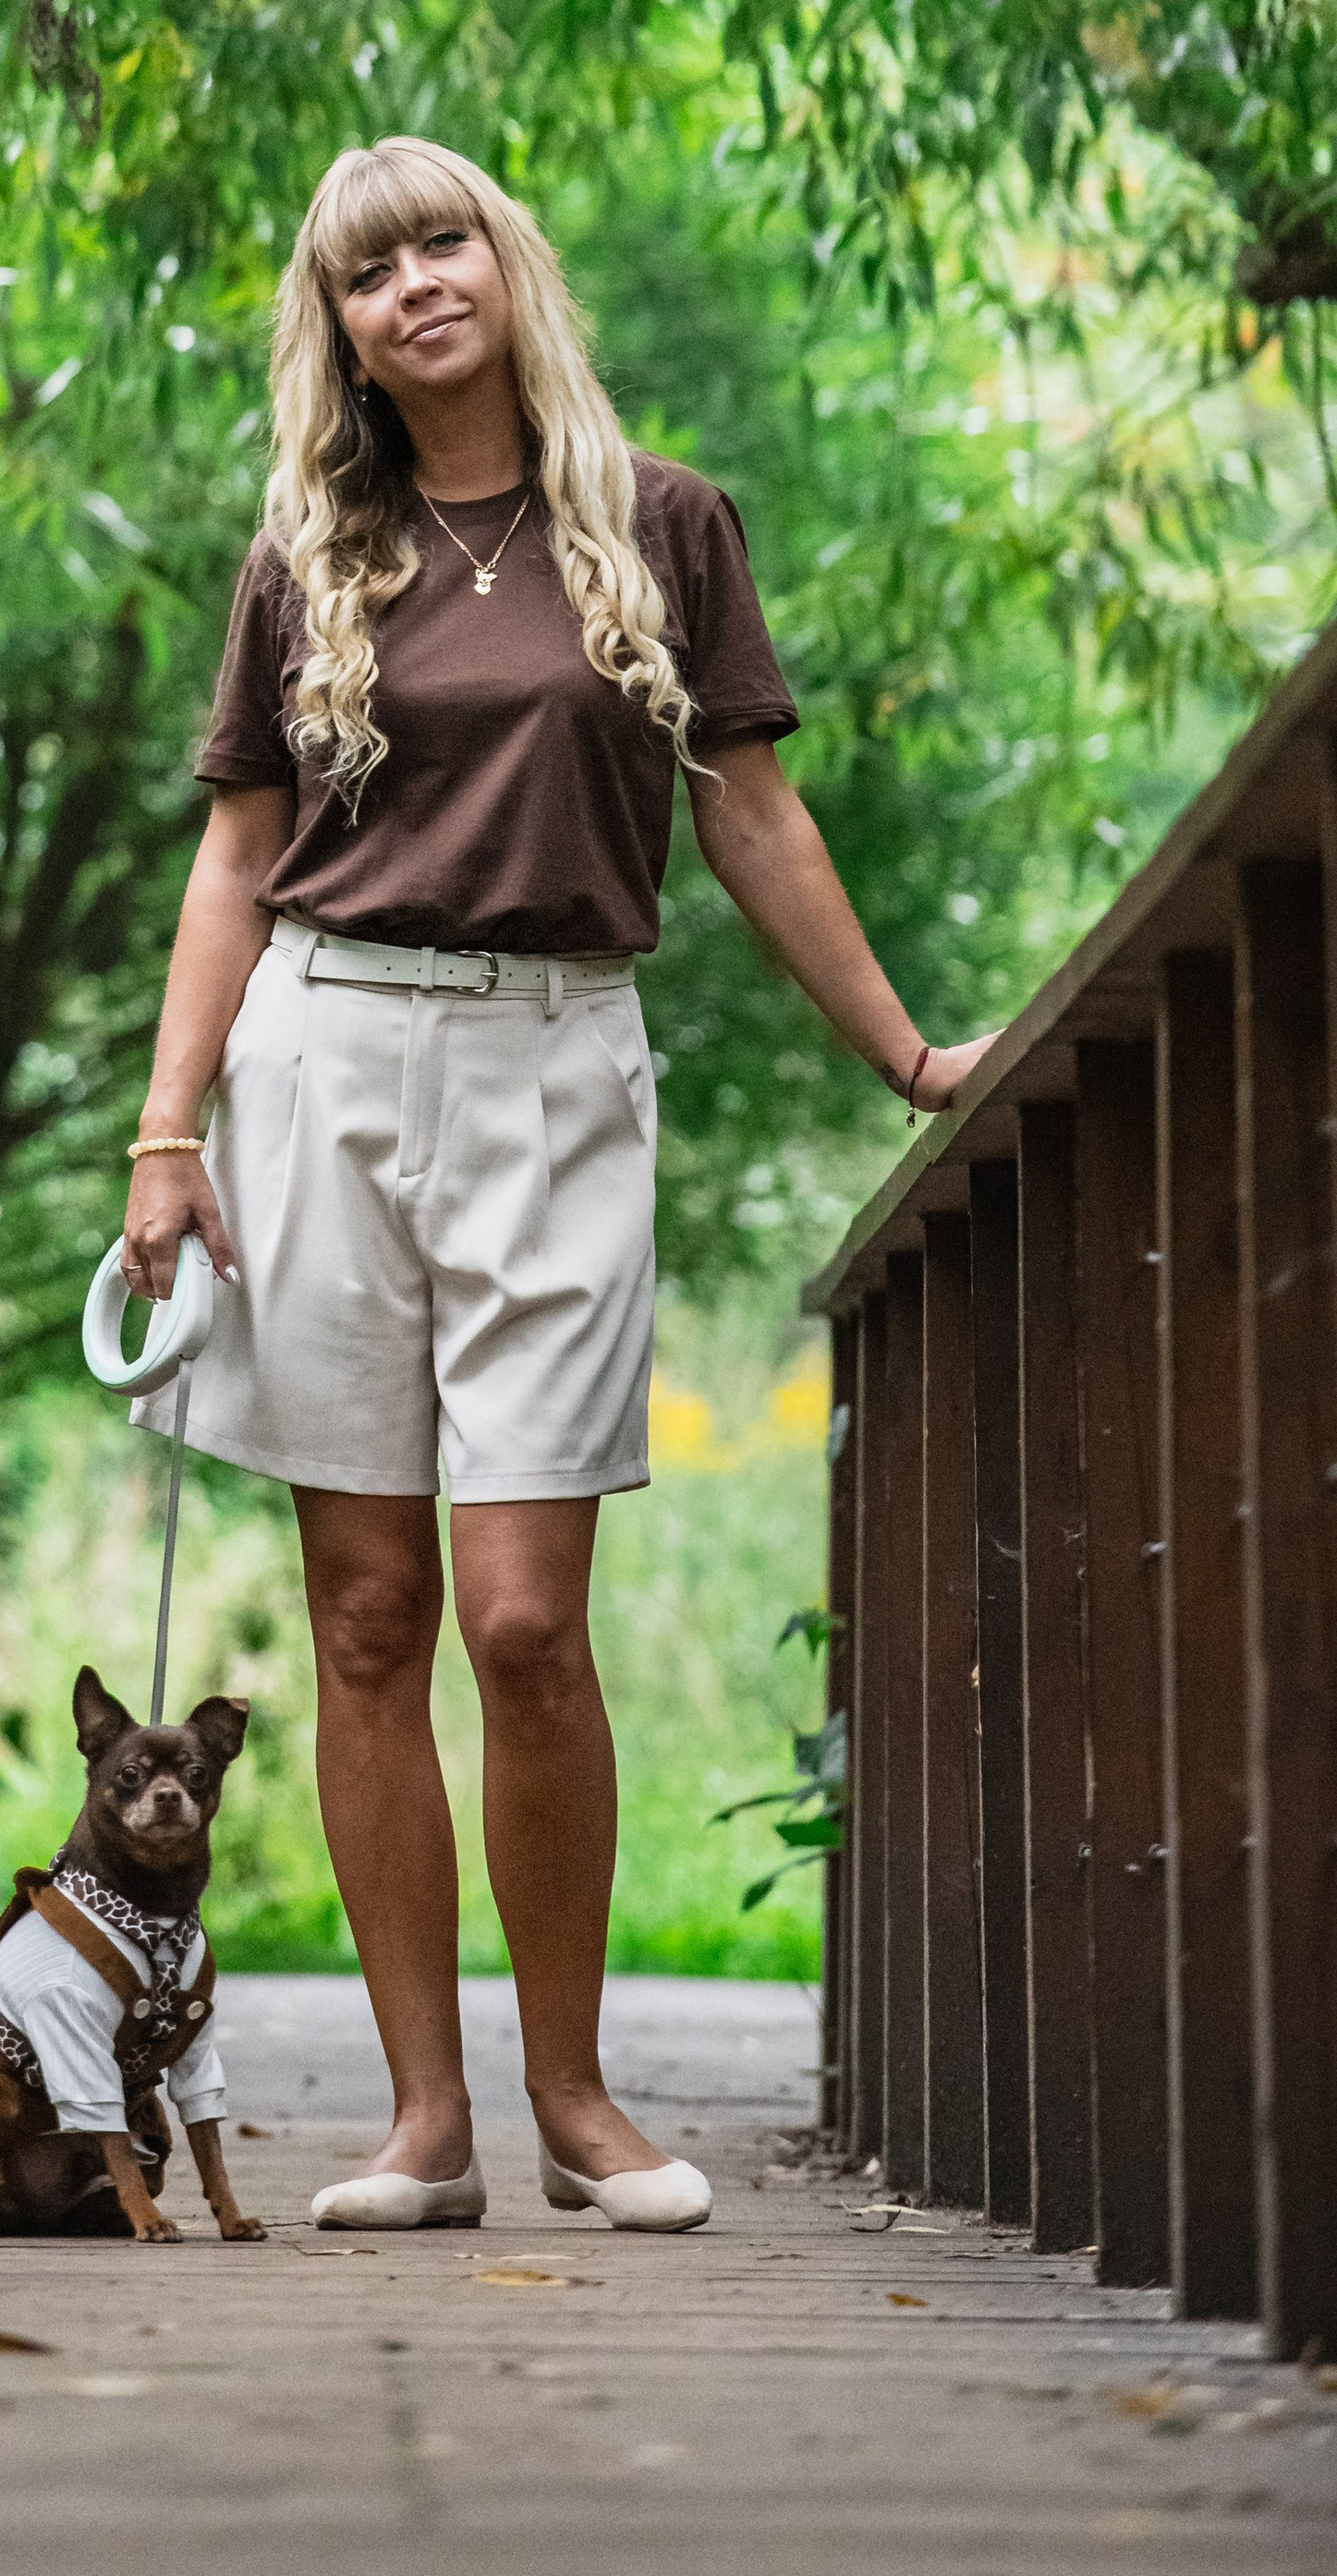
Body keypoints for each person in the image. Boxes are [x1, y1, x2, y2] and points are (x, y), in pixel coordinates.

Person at [119, 136, 992, 2234]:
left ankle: (576, 2096)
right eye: (364, 271)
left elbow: (752, 822)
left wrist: (901, 1055)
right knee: (363, 1610)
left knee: (519, 1619)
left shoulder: (665, 530)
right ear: (332, 328)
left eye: (440, 243)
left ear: (504, 265)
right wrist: (164, 1136)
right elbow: (235, 860)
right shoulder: (302, 554)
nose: (412, 284)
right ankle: (423, 2124)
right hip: (320, 1062)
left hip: (555, 1062)